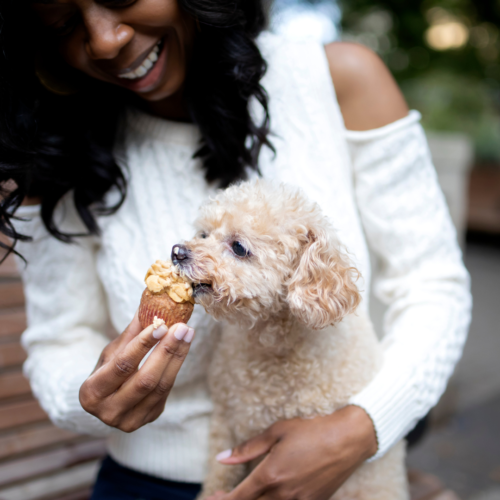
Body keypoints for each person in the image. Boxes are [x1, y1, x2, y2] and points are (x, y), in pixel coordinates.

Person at [0, 1, 471, 499]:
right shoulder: (54, 149)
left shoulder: (339, 79)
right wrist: (89, 393)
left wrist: (364, 426)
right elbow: (57, 341)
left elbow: (433, 285)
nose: (106, 41)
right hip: (148, 482)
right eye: (63, 22)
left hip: (342, 467)